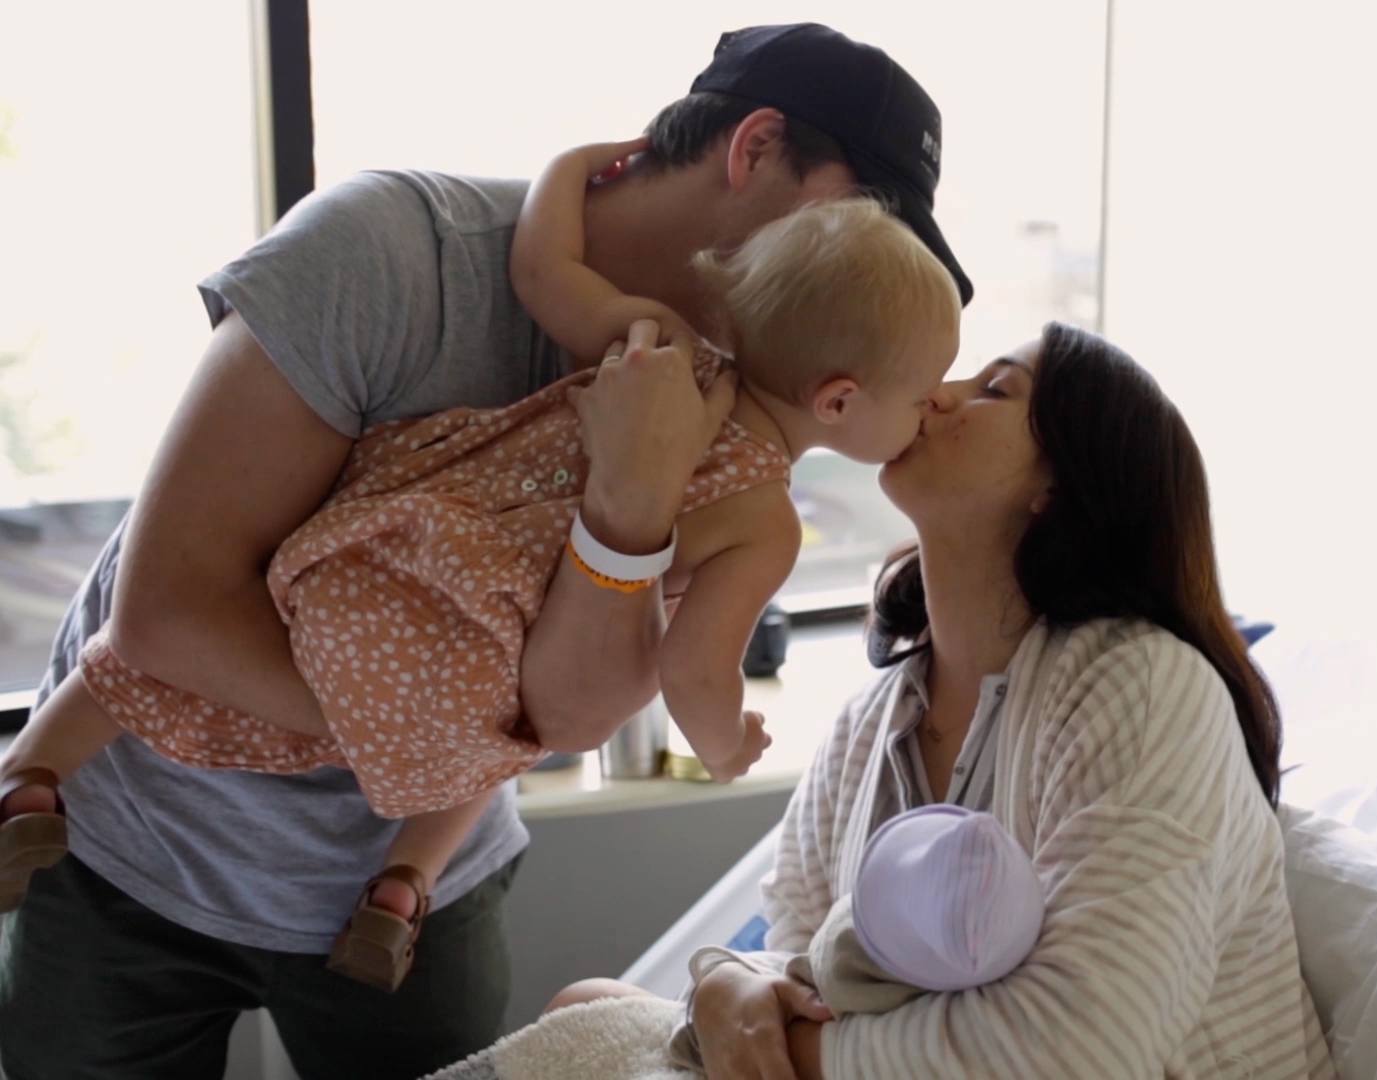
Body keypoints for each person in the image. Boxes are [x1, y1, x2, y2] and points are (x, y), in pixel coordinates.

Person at [0, 22, 969, 1079]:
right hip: (125, 854)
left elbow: (570, 716)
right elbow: (166, 615)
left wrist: (629, 504)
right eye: (867, 219)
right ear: (756, 147)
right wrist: (431, 717)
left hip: (415, 897)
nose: (868, 271)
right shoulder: (392, 256)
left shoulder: (710, 408)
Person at [555, 324, 1334, 1079]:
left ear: (1057, 487)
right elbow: (803, 966)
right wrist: (723, 987)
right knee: (583, 1005)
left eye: (994, 389)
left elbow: (1085, 1053)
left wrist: (789, 1054)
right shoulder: (875, 720)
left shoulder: (1144, 685)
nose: (934, 395)